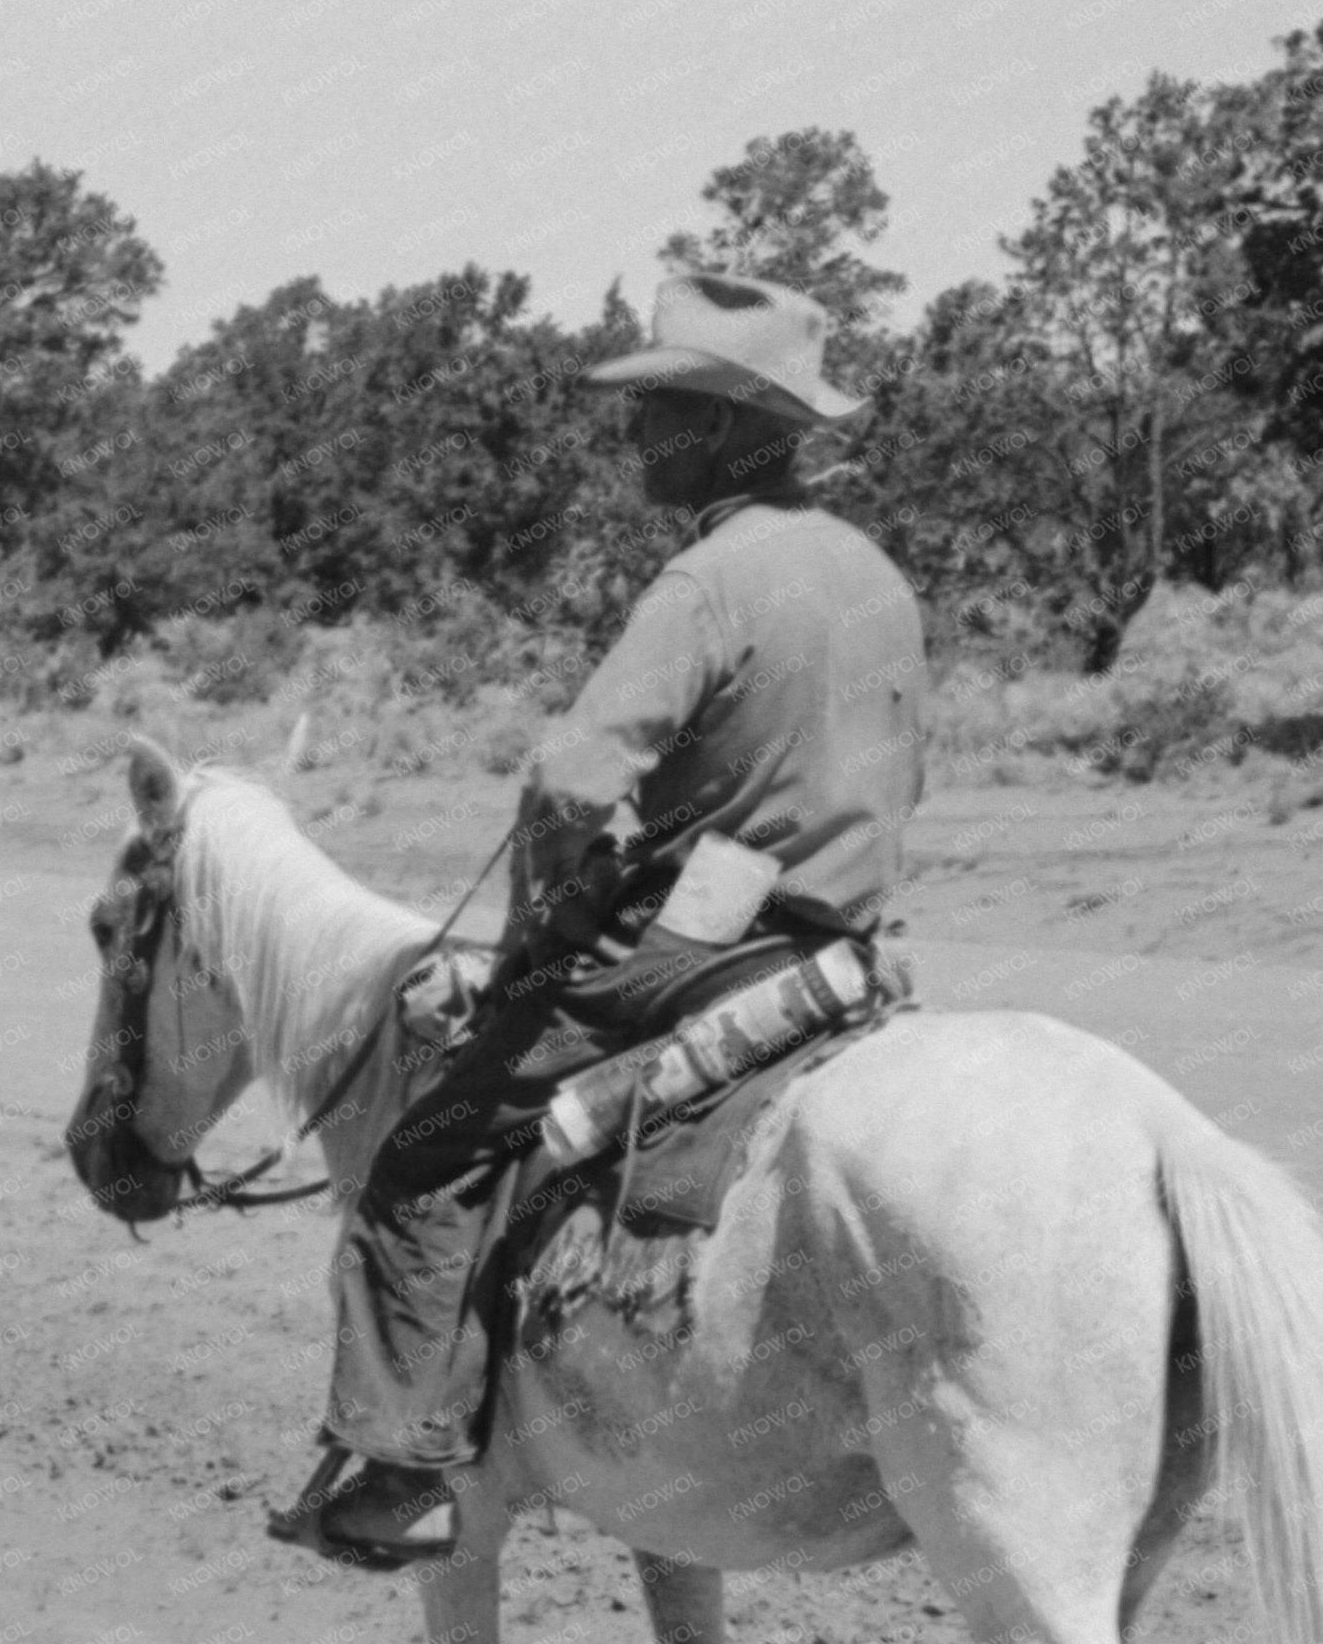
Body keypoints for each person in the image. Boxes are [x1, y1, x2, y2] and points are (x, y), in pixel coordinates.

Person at [299, 271, 930, 1565]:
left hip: (698, 948)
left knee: (428, 1151)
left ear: (720, 426)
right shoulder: (876, 576)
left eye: (660, 413)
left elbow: (571, 783)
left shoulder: (707, 582)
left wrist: (535, 940)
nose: (637, 438)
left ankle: (407, 1453)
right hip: (842, 945)